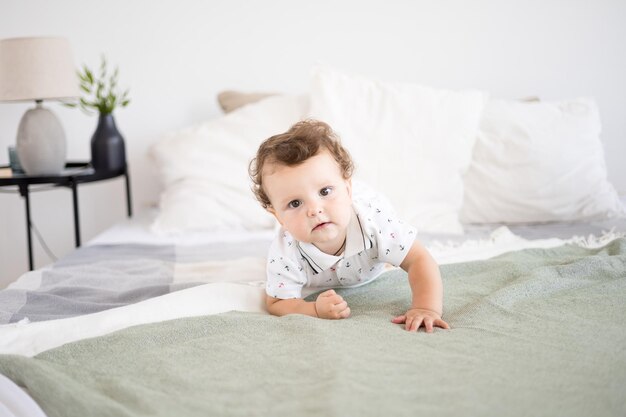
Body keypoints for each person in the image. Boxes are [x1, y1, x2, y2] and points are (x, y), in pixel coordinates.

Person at [248, 119, 450, 332]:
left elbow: (419, 259)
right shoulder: (285, 251)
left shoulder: (375, 222)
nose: (314, 210)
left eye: (324, 191)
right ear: (278, 216)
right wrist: (314, 310)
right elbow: (277, 302)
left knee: (391, 241)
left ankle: (379, 244)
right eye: (295, 203)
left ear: (347, 189)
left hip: (365, 206)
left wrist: (426, 307)